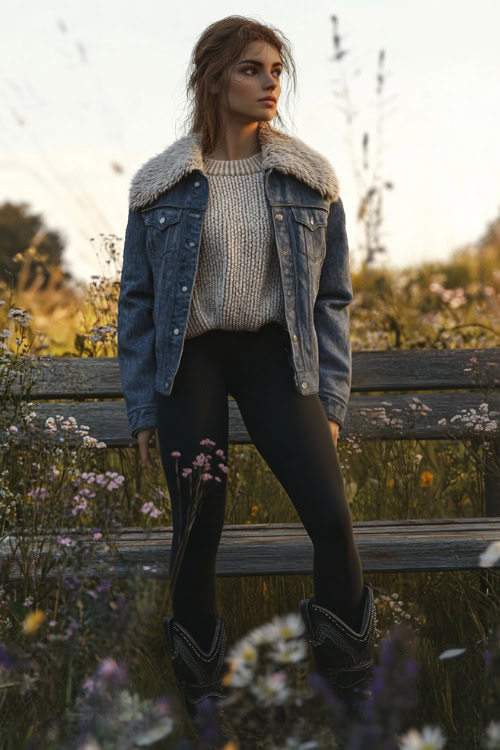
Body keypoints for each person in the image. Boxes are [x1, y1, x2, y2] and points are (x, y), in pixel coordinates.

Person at [117, 15, 377, 722]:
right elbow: (137, 305)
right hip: (190, 359)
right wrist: (145, 407)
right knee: (198, 530)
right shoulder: (159, 184)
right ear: (213, 77)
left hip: (274, 356)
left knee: (331, 518)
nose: (270, 84)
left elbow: (331, 299)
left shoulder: (308, 176)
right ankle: (205, 704)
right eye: (252, 69)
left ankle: (353, 697)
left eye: (276, 71)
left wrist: (329, 395)